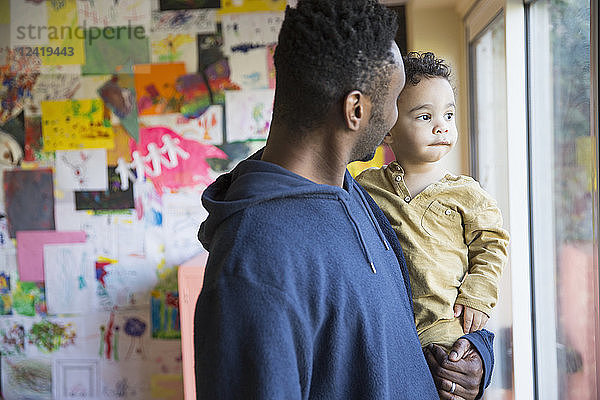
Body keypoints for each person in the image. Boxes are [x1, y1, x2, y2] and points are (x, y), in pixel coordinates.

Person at [195, 2, 494, 399]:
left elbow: (399, 327)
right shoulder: (255, 264)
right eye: (395, 101)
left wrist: (473, 358)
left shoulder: (357, 196)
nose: (393, 119)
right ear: (356, 109)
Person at [356, 51, 509, 359]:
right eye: (425, 117)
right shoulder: (367, 187)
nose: (441, 127)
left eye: (448, 115)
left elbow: (492, 244)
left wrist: (479, 294)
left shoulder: (467, 193)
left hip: (446, 323)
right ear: (388, 130)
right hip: (390, 327)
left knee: (451, 377)